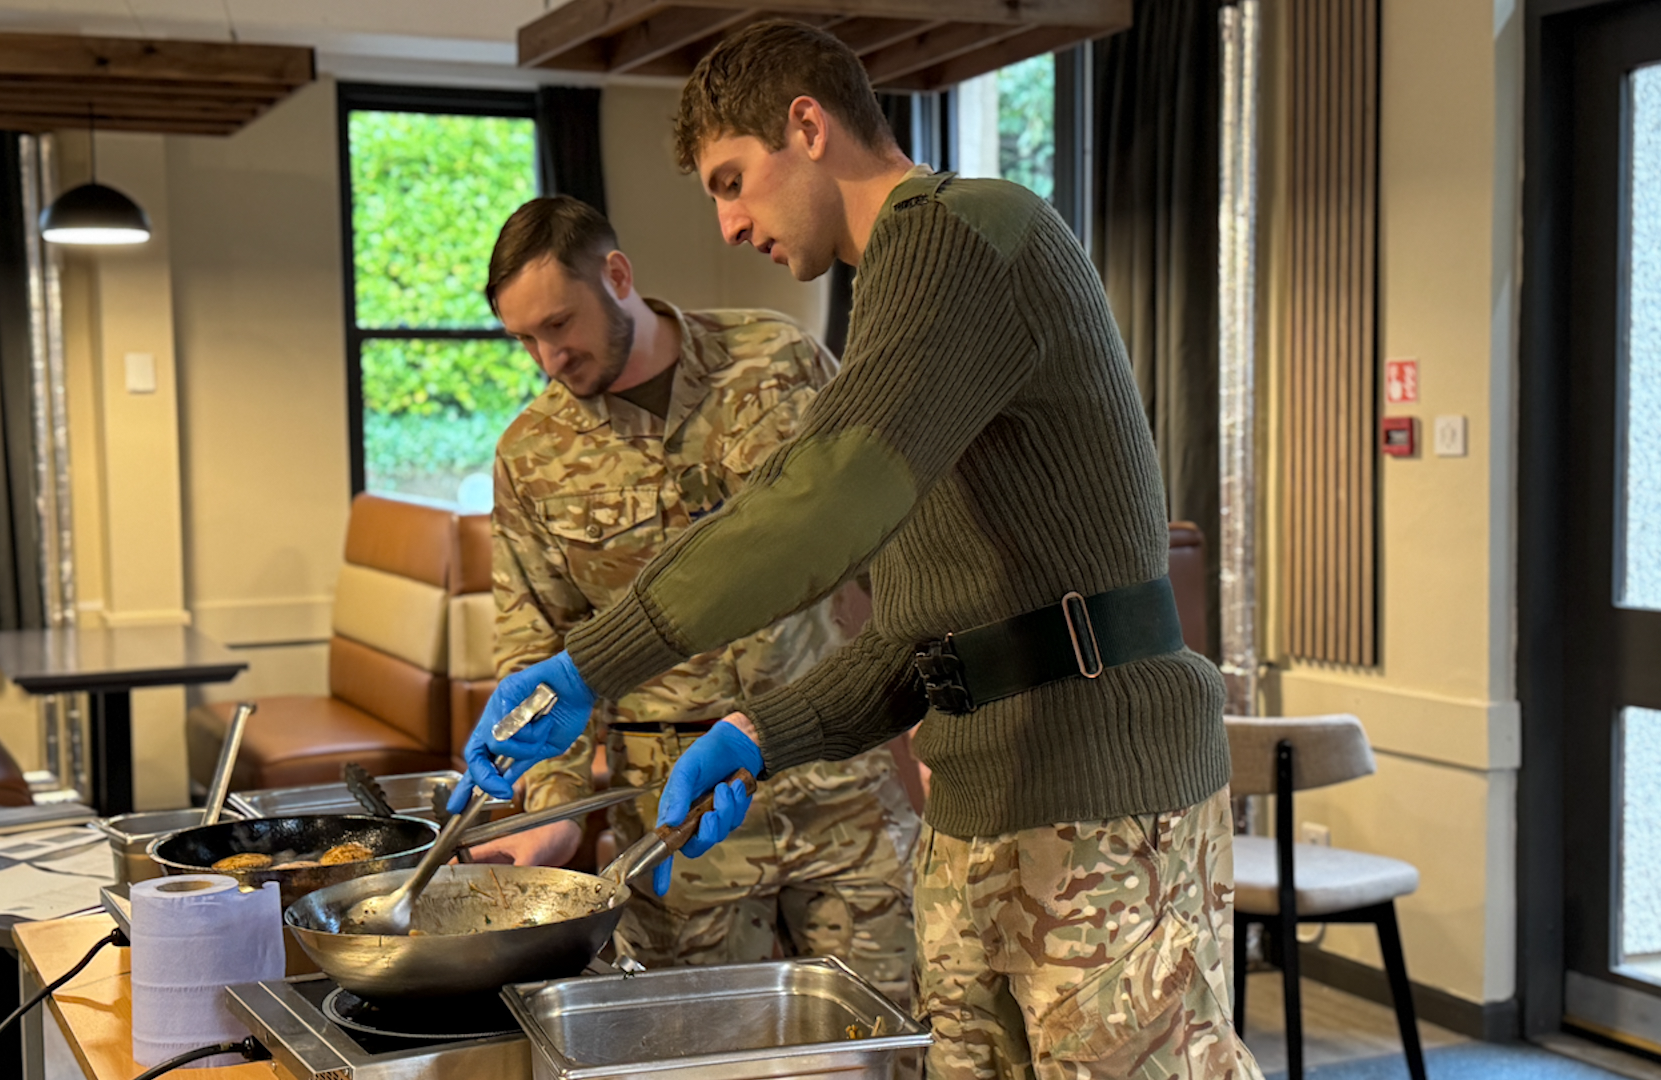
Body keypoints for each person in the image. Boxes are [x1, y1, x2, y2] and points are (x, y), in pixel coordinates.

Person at [450, 21, 1262, 1080]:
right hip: (981, 812)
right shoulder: (889, 298)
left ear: (809, 124)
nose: (732, 224)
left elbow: (820, 506)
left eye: (734, 180)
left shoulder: (960, 232)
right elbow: (922, 636)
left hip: (1099, 792)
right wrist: (764, 732)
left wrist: (591, 662)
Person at [464, 194, 919, 1001]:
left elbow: (890, 532)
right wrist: (558, 816)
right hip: (679, 819)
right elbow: (539, 645)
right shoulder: (530, 455)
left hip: (837, 785)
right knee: (703, 1055)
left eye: (559, 324)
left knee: (891, 1038)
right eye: (525, 339)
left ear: (617, 275)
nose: (547, 357)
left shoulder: (776, 360)